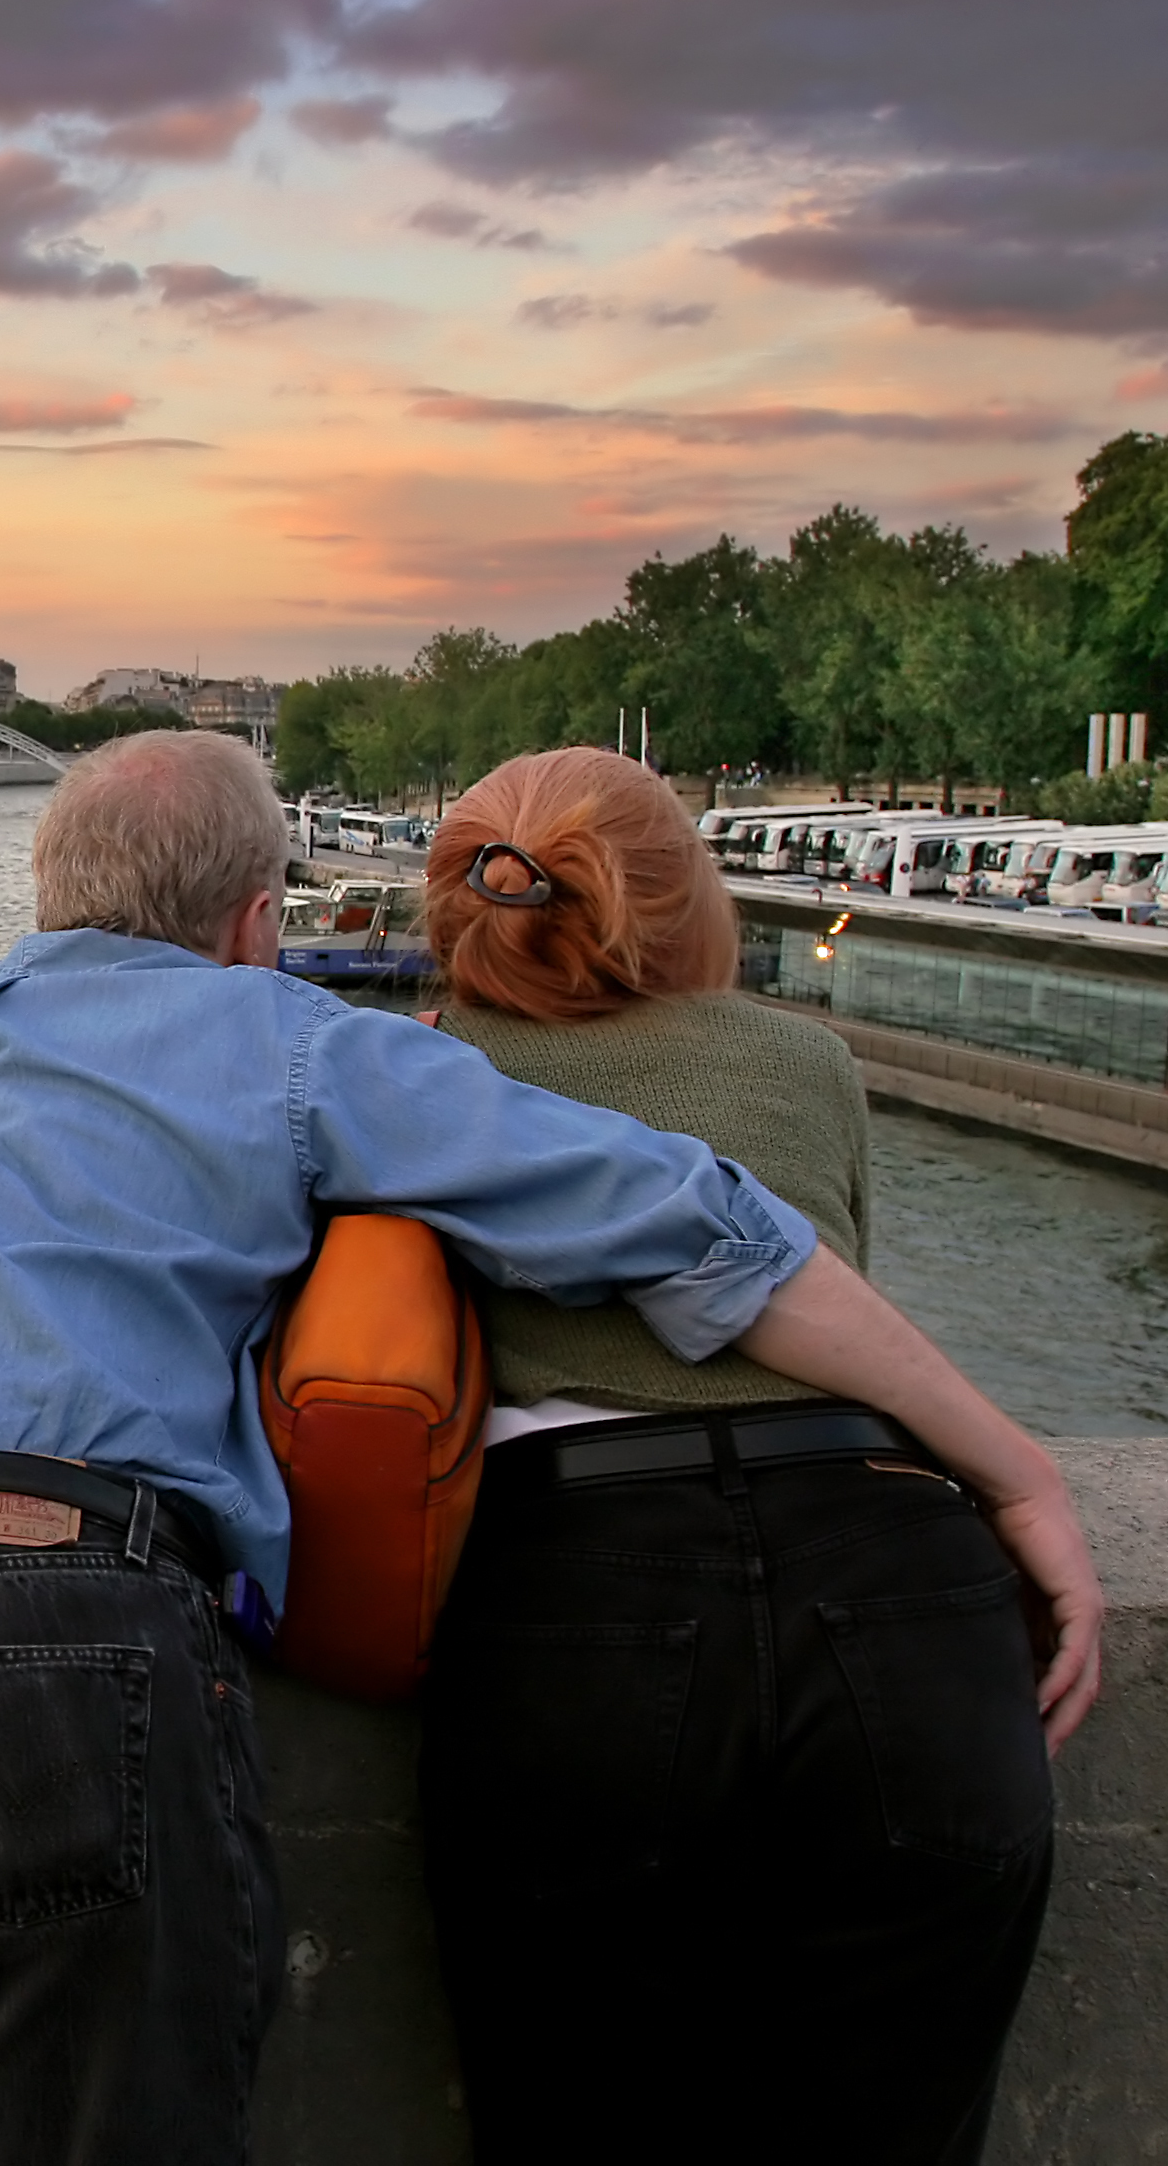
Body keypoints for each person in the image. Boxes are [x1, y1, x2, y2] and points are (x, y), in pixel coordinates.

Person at [0, 729, 1101, 2166]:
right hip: (26, 1638)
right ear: (256, 920)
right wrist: (1015, 1467)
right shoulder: (285, 1040)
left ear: (48, 891)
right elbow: (694, 1221)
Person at [416, 747, 1095, 2164]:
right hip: (901, 1578)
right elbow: (835, 1321)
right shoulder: (810, 1060)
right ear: (684, 907)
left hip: (582, 1600)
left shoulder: (426, 1072)